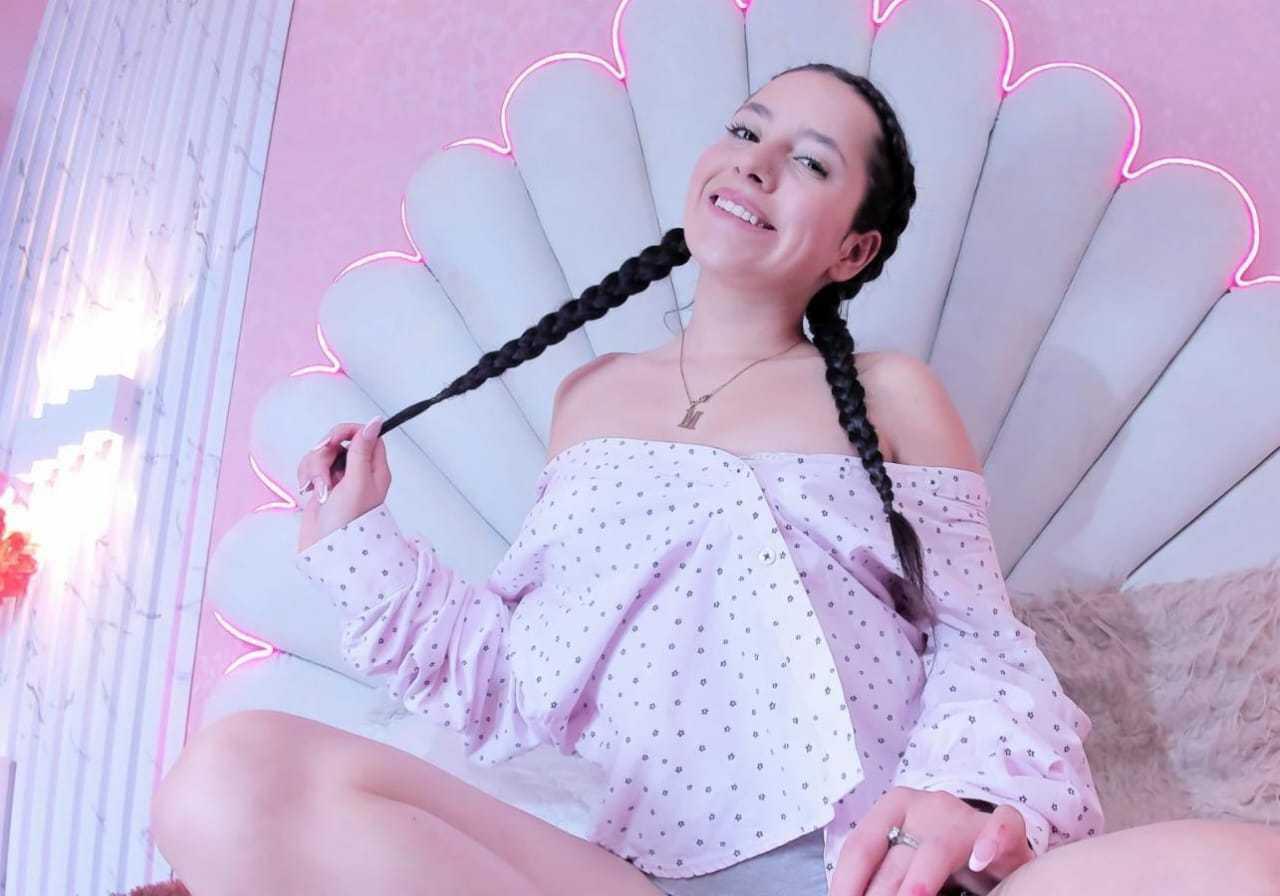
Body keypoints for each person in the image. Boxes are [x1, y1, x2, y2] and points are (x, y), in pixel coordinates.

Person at [151, 64, 1280, 896]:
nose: (755, 161)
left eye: (811, 161)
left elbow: (980, 642)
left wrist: (964, 793)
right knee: (228, 776)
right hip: (613, 870)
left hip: (855, 866)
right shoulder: (590, 397)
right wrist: (356, 536)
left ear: (852, 250)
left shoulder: (891, 394)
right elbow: (513, 676)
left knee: (1241, 868)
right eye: (746, 130)